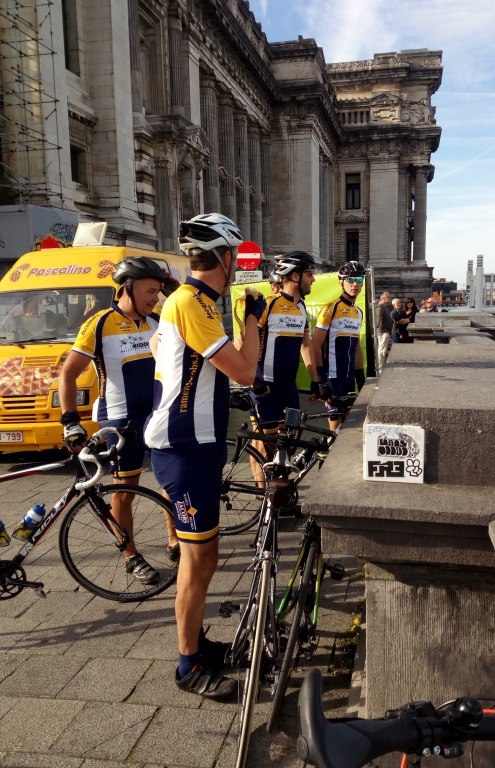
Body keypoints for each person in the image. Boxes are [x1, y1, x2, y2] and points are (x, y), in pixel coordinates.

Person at [144, 213, 263, 701]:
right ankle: (187, 665)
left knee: (207, 557)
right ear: (227, 257)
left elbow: (163, 347)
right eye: (235, 257)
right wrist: (254, 318)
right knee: (196, 562)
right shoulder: (191, 302)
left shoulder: (198, 303)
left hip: (199, 443)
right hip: (183, 448)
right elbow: (244, 371)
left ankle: (194, 644)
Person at [58, 256, 179, 582]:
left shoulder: (156, 321)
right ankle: (130, 554)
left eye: (158, 291)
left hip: (155, 415)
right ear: (127, 287)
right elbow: (68, 374)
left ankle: (174, 538)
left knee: (170, 479)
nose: (156, 297)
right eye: (150, 291)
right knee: (125, 490)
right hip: (118, 421)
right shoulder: (100, 323)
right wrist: (70, 421)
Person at [250, 251, 320, 437]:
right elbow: (244, 340)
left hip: (289, 387)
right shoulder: (269, 304)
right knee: (265, 444)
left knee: (291, 439)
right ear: (296, 276)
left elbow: (305, 345)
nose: (313, 280)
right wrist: (252, 378)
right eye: (309, 274)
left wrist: (315, 381)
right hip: (265, 386)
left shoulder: (302, 307)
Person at [311, 261, 365, 430]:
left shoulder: (358, 312)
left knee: (351, 424)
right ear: (341, 282)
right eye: (350, 279)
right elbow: (315, 346)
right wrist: (320, 380)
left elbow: (356, 347)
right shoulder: (330, 308)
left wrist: (360, 377)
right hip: (332, 378)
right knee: (335, 427)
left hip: (348, 378)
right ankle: (327, 454)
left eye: (359, 279)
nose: (355, 284)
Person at [375, 291, 394, 368]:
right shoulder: (380, 306)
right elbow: (378, 318)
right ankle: (380, 366)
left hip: (385, 330)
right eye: (389, 297)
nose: (390, 299)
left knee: (383, 349)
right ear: (384, 298)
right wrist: (381, 329)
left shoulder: (383, 306)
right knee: (382, 350)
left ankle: (382, 365)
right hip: (383, 331)